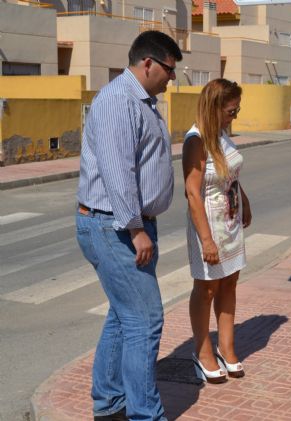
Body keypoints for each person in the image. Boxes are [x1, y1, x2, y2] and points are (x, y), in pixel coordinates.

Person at [75, 31, 182, 420]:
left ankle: (108, 404)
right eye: (170, 69)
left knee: (124, 317)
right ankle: (144, 415)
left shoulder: (141, 101)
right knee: (145, 320)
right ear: (148, 63)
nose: (173, 78)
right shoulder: (119, 101)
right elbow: (118, 173)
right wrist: (136, 228)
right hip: (114, 227)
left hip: (120, 225)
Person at [182, 79, 251, 384]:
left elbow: (229, 173)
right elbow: (193, 193)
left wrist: (244, 199)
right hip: (209, 223)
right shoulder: (195, 141)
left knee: (230, 283)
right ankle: (202, 351)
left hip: (231, 219)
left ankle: (227, 347)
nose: (234, 116)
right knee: (207, 287)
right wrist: (206, 239)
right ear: (214, 108)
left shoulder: (222, 135)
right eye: (231, 111)